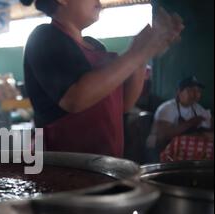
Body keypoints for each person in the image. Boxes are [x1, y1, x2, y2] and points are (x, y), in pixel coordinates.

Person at [21, 0, 184, 157]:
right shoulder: (44, 37)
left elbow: (124, 104)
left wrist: (142, 57)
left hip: (103, 163)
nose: (99, 3)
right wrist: (137, 53)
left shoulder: (96, 46)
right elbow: (75, 99)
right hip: (63, 167)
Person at [147, 76, 213, 155]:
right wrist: (191, 122)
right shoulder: (167, 108)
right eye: (191, 90)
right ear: (179, 92)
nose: (195, 94)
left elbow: (209, 126)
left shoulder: (197, 108)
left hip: (184, 151)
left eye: (198, 91)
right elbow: (163, 136)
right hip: (159, 151)